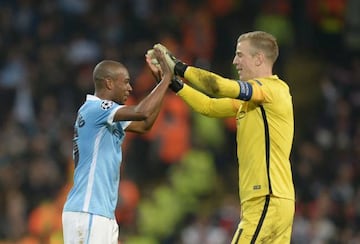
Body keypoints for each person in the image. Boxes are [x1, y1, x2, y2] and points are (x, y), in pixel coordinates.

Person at [150, 31, 295, 243]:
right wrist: (173, 83)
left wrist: (179, 67)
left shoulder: (272, 90)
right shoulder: (253, 101)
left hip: (267, 198)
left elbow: (218, 87)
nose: (235, 61)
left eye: (240, 55)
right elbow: (209, 106)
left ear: (258, 58)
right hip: (270, 199)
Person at [62, 48, 172, 244]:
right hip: (88, 211)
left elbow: (145, 125)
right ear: (109, 83)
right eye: (126, 82)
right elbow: (142, 112)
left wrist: (161, 85)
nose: (130, 88)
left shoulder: (108, 117)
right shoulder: (96, 108)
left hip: (101, 213)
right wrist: (166, 80)